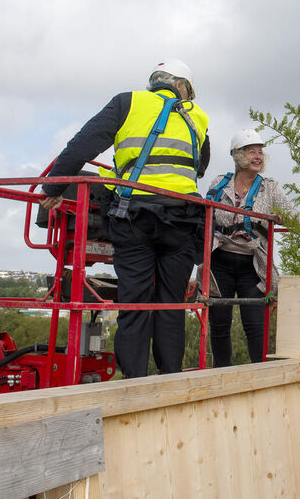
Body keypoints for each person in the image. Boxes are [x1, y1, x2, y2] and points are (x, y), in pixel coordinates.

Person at [40, 59, 210, 378]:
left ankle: (134, 380)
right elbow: (200, 165)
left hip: (136, 216)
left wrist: (53, 186)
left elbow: (82, 146)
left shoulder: (127, 102)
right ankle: (170, 376)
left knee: (134, 303)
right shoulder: (198, 116)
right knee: (171, 305)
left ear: (155, 82)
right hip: (183, 219)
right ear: (183, 86)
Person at [204, 129, 296, 367]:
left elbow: (293, 216)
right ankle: (221, 374)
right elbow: (205, 215)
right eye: (252, 152)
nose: (258, 157)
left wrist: (280, 217)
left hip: (252, 264)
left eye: (261, 152)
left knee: (255, 324)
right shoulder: (219, 183)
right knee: (220, 323)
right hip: (220, 261)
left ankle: (260, 373)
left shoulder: (270, 187)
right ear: (238, 155)